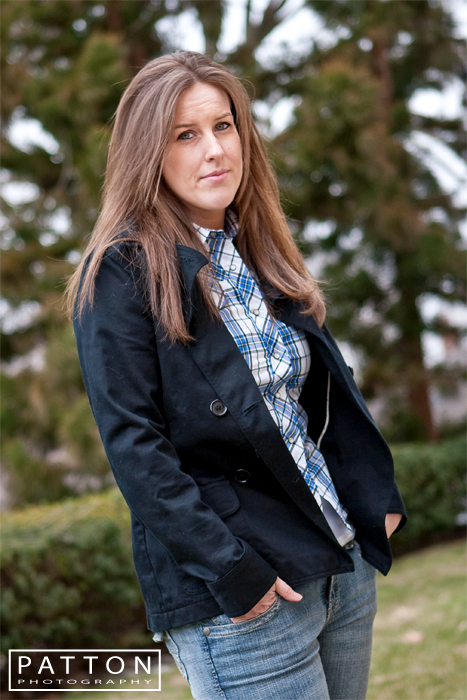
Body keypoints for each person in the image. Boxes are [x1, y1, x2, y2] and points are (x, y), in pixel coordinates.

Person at [68, 51, 406, 700]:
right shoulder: (120, 271)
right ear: (149, 153)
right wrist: (234, 574)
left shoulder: (258, 249)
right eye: (185, 135)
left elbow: (318, 397)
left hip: (338, 561)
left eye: (223, 126)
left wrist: (374, 497)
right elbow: (136, 448)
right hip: (245, 594)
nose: (213, 149)